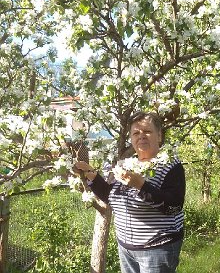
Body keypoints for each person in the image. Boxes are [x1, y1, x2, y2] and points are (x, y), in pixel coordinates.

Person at [73, 111, 186, 273]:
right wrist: (90, 173)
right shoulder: (126, 164)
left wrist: (141, 185)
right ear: (131, 138)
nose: (141, 136)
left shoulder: (170, 165)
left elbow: (173, 206)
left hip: (158, 248)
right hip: (126, 248)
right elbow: (110, 196)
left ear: (159, 136)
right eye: (136, 133)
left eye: (147, 131)